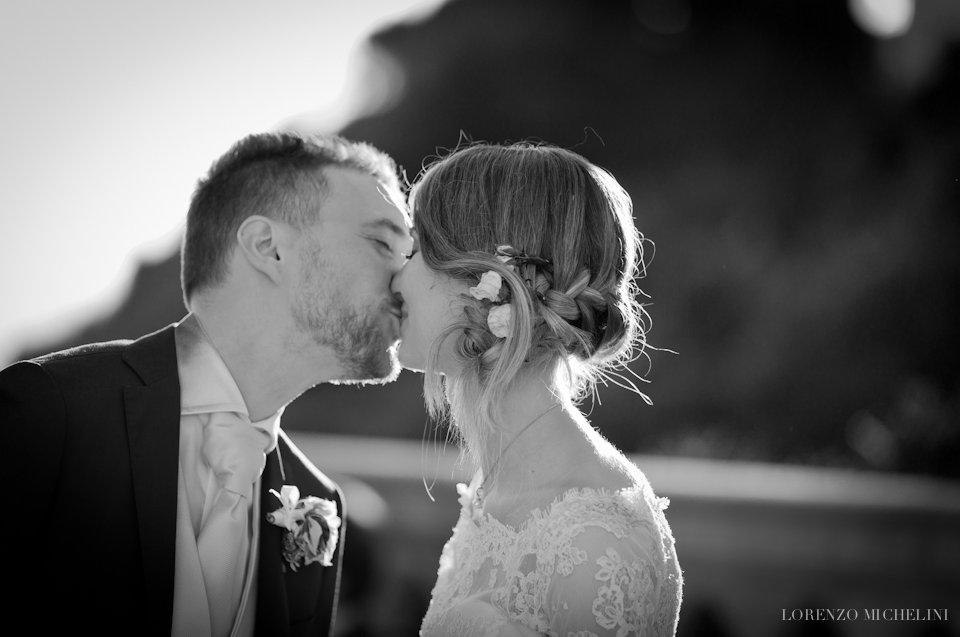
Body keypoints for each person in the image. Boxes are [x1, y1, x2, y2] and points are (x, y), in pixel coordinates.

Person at [0, 132, 412, 637]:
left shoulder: (318, 501)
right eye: (384, 243)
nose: (406, 279)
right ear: (268, 248)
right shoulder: (49, 411)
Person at [391, 142, 683, 636]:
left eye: (417, 250)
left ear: (488, 279)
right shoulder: (498, 485)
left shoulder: (595, 544)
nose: (397, 277)